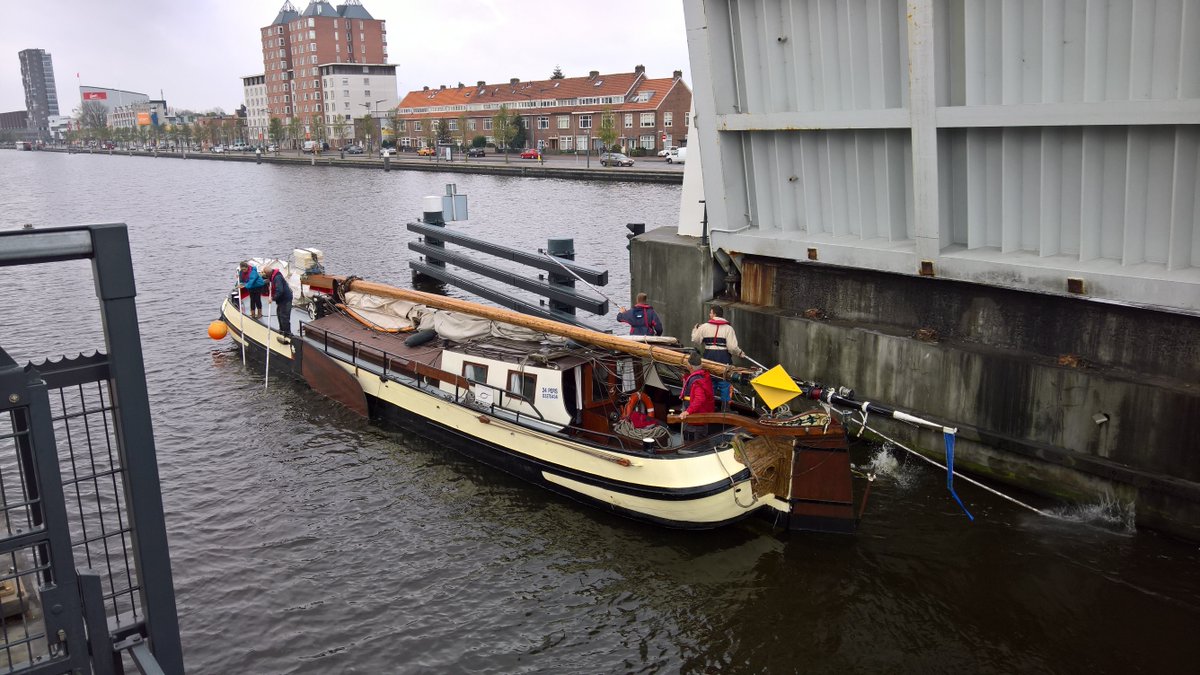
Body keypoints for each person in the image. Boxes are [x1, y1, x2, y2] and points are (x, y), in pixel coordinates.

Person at [690, 305, 745, 406]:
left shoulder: (704, 327)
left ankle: (709, 406)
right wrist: (740, 353)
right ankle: (725, 409)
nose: (709, 315)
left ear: (714, 314)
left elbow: (696, 340)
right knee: (725, 382)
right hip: (723, 358)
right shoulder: (729, 329)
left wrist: (695, 330)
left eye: (710, 313)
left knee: (710, 382)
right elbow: (732, 347)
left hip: (708, 357)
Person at [678, 352, 714, 442]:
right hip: (701, 419)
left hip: (695, 421)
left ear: (690, 367)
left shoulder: (697, 382)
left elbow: (699, 398)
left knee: (692, 445)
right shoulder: (702, 377)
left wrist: (687, 411)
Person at [264, 266, 293, 343]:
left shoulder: (277, 278)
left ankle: (288, 335)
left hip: (285, 299)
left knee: (284, 317)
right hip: (281, 300)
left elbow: (280, 291)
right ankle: (281, 331)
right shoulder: (272, 276)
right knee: (279, 314)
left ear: (268, 273)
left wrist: (272, 298)